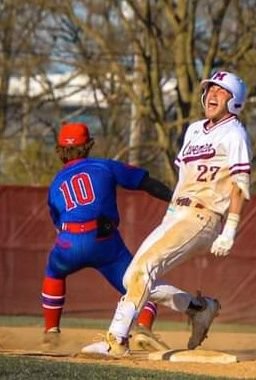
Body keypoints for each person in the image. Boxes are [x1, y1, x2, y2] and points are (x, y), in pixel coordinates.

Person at [81, 70, 252, 357]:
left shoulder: (235, 132)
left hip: (203, 214)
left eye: (221, 91)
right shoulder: (195, 129)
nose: (212, 94)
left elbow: (240, 185)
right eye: (210, 89)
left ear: (235, 100)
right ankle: (199, 308)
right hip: (177, 212)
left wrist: (230, 229)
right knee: (131, 277)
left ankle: (116, 340)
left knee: (142, 270)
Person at [42, 121, 175, 351]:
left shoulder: (56, 183)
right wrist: (175, 200)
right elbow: (146, 183)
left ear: (59, 150)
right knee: (139, 283)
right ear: (88, 145)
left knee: (53, 273)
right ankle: (143, 327)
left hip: (68, 242)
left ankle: (51, 332)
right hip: (104, 241)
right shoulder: (104, 166)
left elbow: (57, 222)